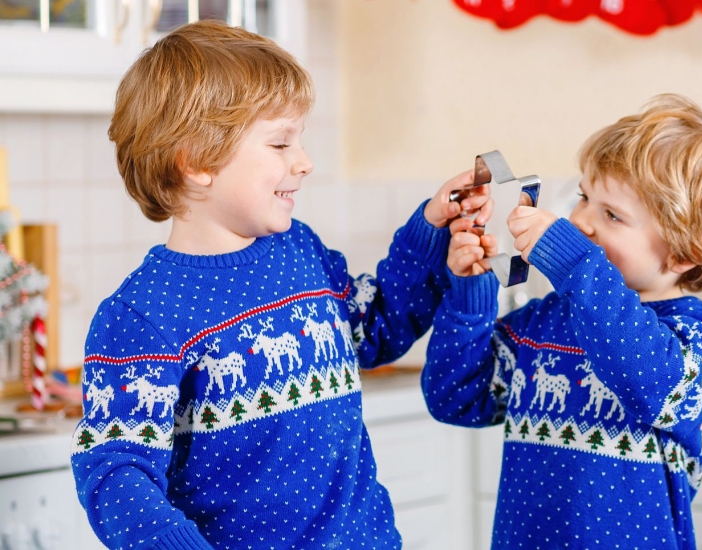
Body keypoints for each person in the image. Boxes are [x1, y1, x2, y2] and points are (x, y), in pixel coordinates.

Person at [69, 20, 483, 549]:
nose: (304, 163)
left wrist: (432, 229)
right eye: (280, 142)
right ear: (196, 160)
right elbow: (116, 470)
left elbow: (375, 325)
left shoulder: (299, 252)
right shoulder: (143, 314)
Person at [421, 93, 702, 549]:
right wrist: (471, 291)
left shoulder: (697, 335)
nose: (580, 220)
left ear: (685, 253)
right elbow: (456, 397)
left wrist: (574, 262)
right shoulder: (543, 323)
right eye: (584, 196)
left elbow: (649, 378)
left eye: (612, 215)